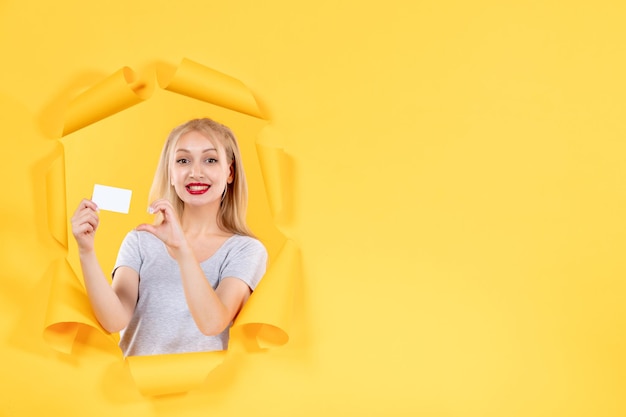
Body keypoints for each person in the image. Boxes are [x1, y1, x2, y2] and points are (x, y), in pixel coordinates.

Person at [71, 118, 267, 356]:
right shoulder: (140, 242)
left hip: (209, 391)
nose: (195, 172)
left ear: (230, 172)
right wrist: (86, 251)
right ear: (171, 174)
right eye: (183, 160)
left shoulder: (245, 250)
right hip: (136, 389)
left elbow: (212, 323)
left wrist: (182, 250)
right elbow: (114, 321)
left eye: (211, 159)